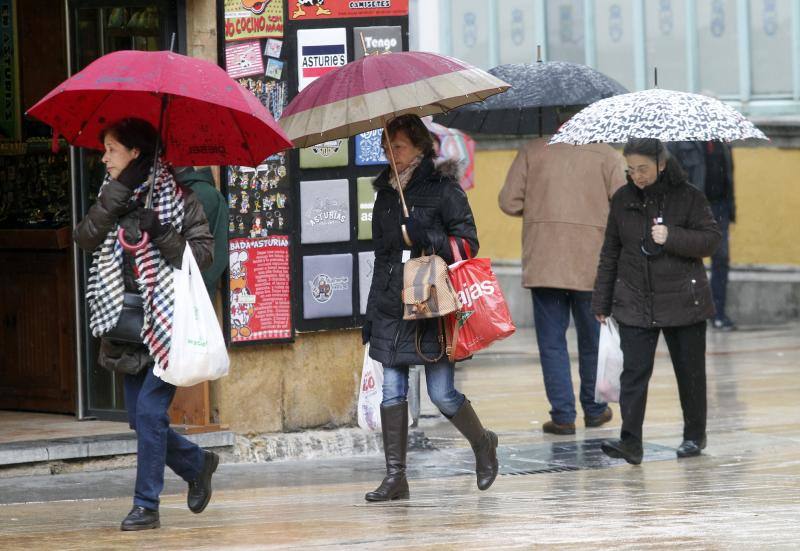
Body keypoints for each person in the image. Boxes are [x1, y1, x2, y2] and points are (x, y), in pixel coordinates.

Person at [74, 118, 219, 530]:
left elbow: (202, 257)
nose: (104, 158)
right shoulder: (110, 195)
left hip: (167, 320)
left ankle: (146, 505)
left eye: (112, 149)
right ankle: (197, 463)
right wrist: (119, 197)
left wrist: (160, 230)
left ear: (135, 152)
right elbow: (85, 237)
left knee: (151, 414)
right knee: (140, 419)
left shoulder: (182, 199)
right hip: (127, 325)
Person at [362, 114, 498, 501]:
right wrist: (371, 314)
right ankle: (396, 477)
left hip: (431, 304)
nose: (391, 153)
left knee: (442, 394)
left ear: (420, 147)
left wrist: (427, 236)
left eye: (399, 146)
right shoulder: (386, 193)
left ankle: (483, 443)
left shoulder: (444, 189)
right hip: (391, 304)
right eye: (386, 147)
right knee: (392, 392)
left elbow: (467, 246)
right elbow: (383, 257)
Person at [593, 138, 721, 465]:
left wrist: (672, 236)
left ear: (661, 164)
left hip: (684, 301)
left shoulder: (689, 196)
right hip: (635, 299)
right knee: (633, 374)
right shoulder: (622, 199)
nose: (637, 175)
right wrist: (601, 301)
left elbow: (711, 240)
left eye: (643, 169)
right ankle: (630, 442)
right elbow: (611, 252)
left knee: (690, 373)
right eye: (631, 169)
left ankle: (694, 436)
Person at [498, 137, 626, 435]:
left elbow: (509, 201)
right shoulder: (608, 155)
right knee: (592, 340)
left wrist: (541, 211)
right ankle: (595, 410)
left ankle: (563, 415)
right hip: (593, 263)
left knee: (552, 343)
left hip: (546, 261)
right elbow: (624, 206)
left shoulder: (532, 150)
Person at [667, 140, 737, 330]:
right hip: (694, 208)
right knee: (687, 260)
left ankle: (718, 313)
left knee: (721, 259)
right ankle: (687, 311)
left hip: (719, 208)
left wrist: (730, 209)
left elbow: (729, 176)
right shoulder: (679, 143)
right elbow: (672, 177)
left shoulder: (723, 142)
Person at [174, 166, 228, 300]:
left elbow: (219, 252)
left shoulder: (206, 194)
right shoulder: (165, 192)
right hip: (185, 290)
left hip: (193, 295)